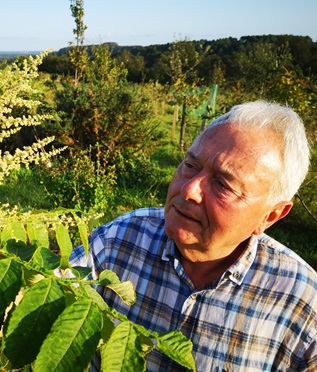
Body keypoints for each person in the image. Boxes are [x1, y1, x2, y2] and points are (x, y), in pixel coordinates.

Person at [69, 101, 317, 371]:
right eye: (190, 164)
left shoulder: (303, 304)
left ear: (270, 216)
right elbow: (48, 290)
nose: (188, 190)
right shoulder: (119, 238)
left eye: (223, 184)